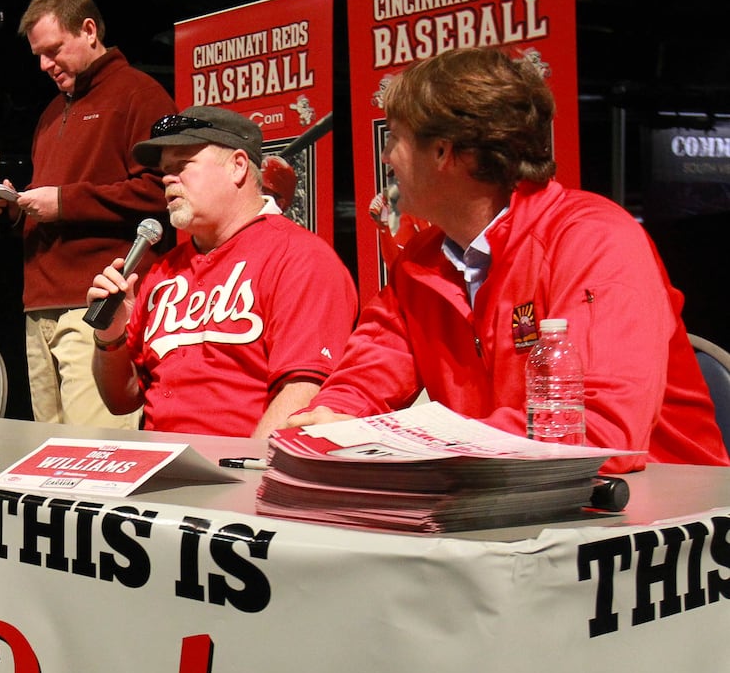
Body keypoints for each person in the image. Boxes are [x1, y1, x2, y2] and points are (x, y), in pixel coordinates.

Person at [288, 47, 728, 472]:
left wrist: (401, 440)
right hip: (509, 508)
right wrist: (331, 417)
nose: (386, 159)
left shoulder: (595, 239)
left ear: (444, 152)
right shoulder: (419, 264)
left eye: (396, 139)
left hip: (658, 522)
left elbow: (600, 435)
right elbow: (363, 379)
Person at [88, 107, 358, 437]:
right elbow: (122, 400)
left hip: (241, 473)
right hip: (163, 472)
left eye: (182, 165)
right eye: (164, 171)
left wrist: (246, 474)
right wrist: (110, 336)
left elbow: (304, 393)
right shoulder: (163, 270)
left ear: (238, 166)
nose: (168, 179)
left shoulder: (300, 257)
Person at [0, 0, 174, 428]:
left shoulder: (139, 95)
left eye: (54, 50)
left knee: (98, 457)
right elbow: (54, 206)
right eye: (38, 56)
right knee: (50, 460)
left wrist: (64, 201)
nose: (46, 65)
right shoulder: (50, 114)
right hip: (40, 306)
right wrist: (14, 209)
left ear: (89, 30)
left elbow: (162, 192)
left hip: (98, 307)